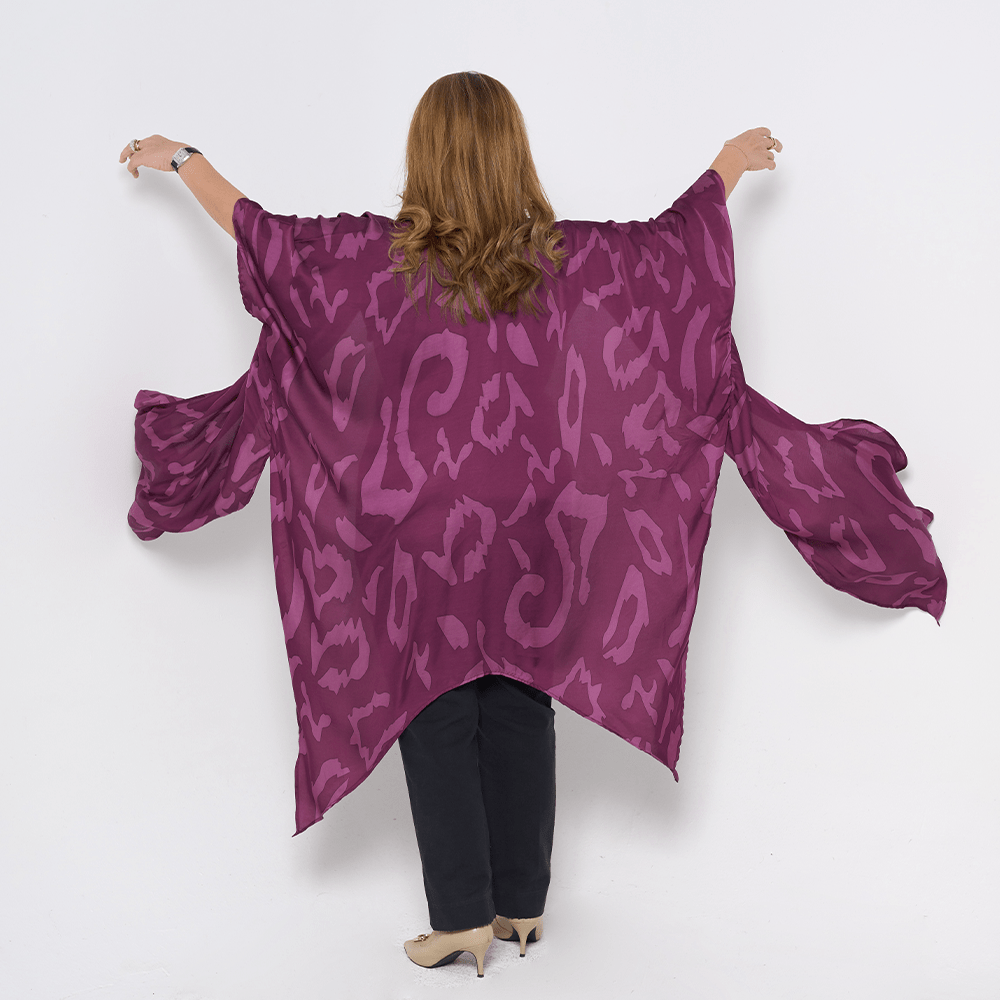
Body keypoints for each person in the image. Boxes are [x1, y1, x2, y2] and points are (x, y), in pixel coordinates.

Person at [120, 72, 944, 979]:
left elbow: (255, 230)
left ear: (423, 152)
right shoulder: (567, 255)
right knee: (519, 694)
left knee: (433, 704)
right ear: (515, 149)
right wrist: (727, 166)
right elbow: (674, 253)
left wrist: (182, 158)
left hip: (420, 530)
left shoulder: (367, 255)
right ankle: (522, 906)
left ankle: (462, 921)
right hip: (544, 526)